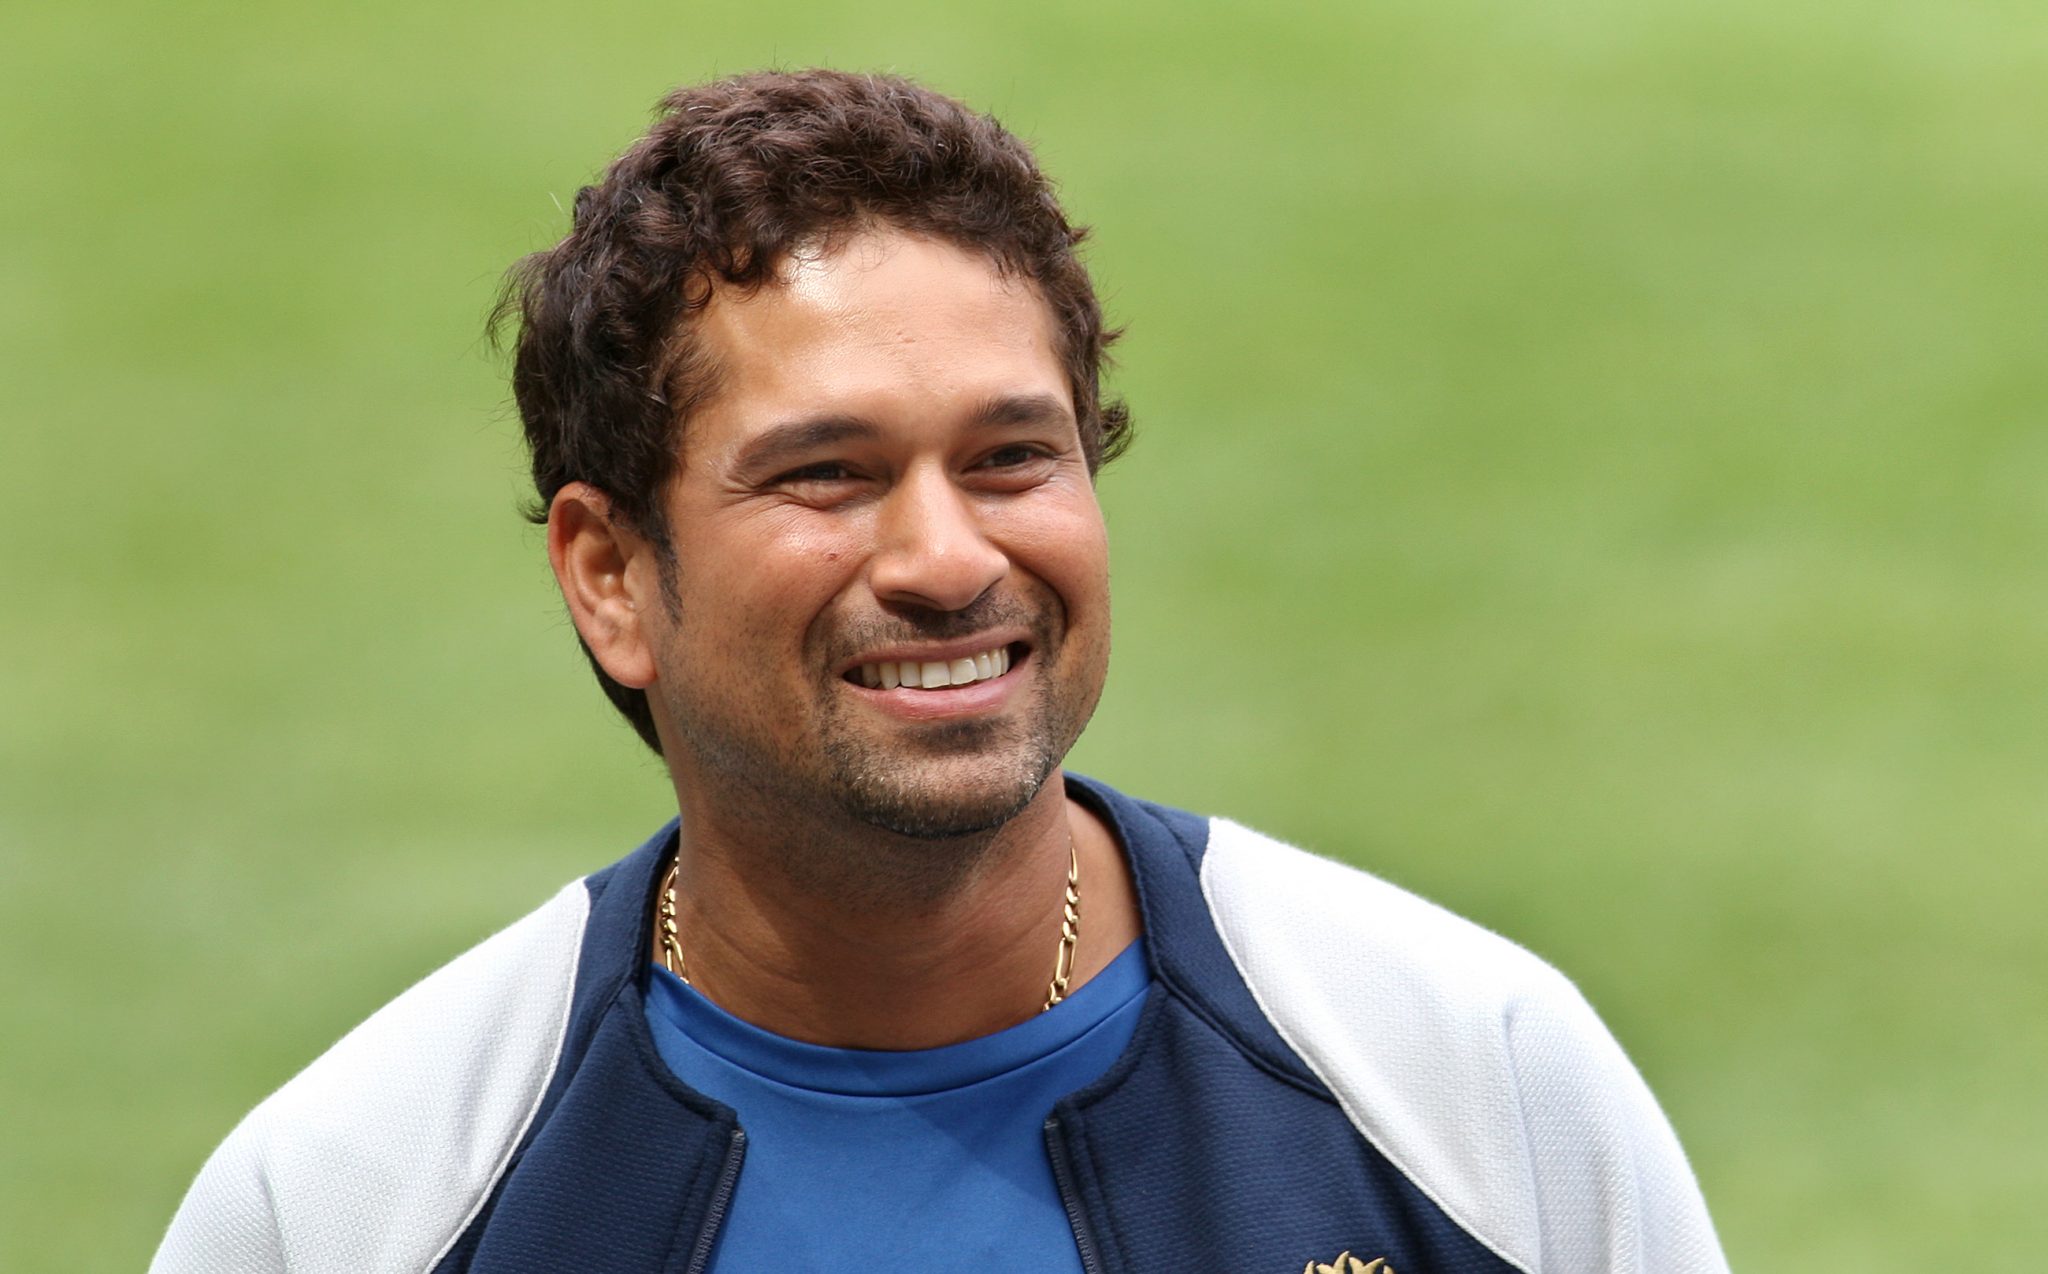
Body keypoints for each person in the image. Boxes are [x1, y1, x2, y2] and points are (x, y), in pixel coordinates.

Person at [152, 69, 1729, 1273]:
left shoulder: (1473, 1084)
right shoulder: (359, 1199)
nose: (948, 557)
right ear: (611, 574)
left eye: (1012, 456)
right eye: (826, 473)